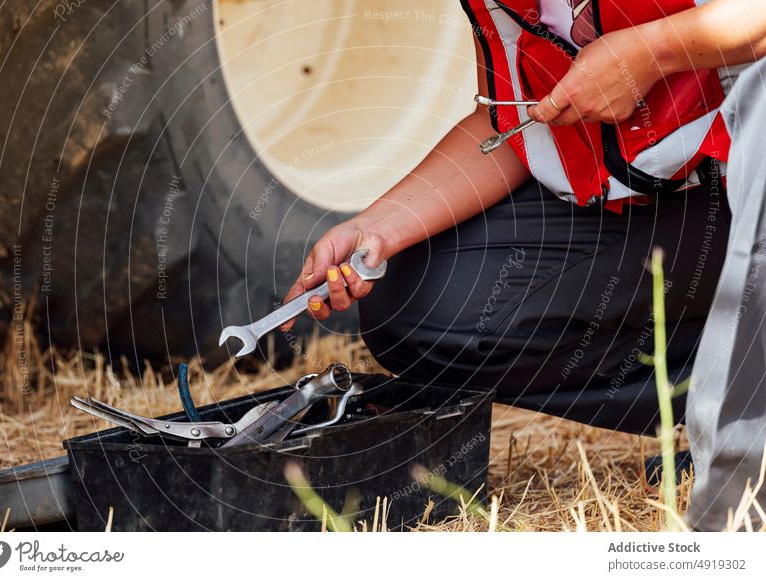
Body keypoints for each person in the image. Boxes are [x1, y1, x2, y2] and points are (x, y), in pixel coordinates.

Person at [281, 0, 766, 528]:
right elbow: (508, 122)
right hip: (686, 208)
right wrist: (375, 227)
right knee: (421, 308)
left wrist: (649, 54)